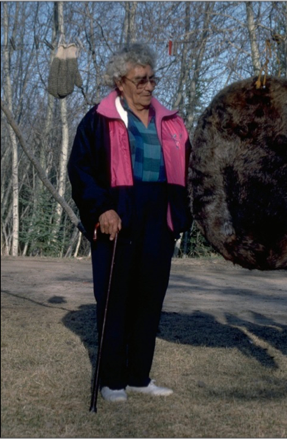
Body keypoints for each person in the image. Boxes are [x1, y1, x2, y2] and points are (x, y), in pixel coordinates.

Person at [68, 43, 192, 402]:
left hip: (158, 217)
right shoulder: (98, 120)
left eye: (153, 79)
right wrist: (101, 209)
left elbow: (190, 170)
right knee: (114, 299)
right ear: (120, 82)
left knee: (149, 298)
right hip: (116, 215)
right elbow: (81, 172)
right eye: (140, 80)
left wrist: (180, 214)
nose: (149, 87)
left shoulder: (172, 123)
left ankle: (139, 375)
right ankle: (112, 381)